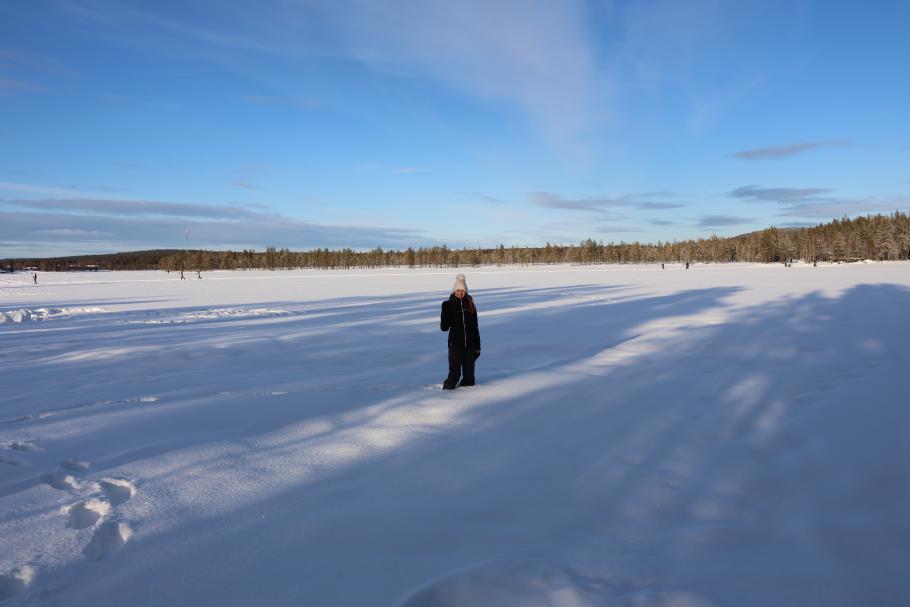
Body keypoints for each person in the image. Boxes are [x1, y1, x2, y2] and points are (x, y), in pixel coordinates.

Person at [440, 274, 481, 390]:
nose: (460, 293)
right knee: (454, 375)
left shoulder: (470, 305)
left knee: (469, 379)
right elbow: (444, 328)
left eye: (462, 290)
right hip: (455, 344)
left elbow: (475, 327)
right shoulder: (448, 305)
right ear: (454, 291)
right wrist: (445, 312)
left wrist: (477, 346)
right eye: (458, 290)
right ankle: (444, 396)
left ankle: (467, 399)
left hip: (470, 345)